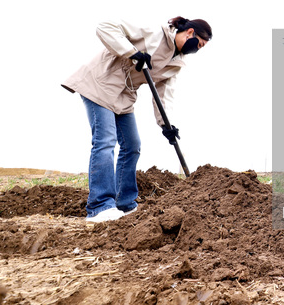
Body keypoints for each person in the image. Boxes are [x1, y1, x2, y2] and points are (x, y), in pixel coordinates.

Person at [62, 17, 212, 222]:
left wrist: (166, 125)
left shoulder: (175, 63)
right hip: (100, 83)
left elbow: (164, 95)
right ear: (189, 32)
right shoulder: (155, 32)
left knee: (132, 145)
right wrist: (132, 52)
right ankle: (99, 206)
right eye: (199, 44)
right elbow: (105, 27)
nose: (196, 50)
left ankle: (124, 203)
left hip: (123, 96)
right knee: (105, 141)